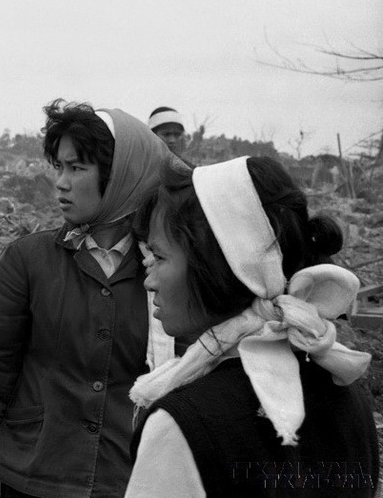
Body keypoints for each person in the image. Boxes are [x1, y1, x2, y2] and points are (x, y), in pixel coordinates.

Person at [0, 100, 173, 498]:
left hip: (129, 481)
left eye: (77, 168)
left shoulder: (164, 271)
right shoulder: (29, 261)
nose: (61, 182)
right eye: (59, 167)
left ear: (120, 175)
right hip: (34, 478)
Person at [126, 156, 378, 497]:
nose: (149, 281)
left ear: (216, 263)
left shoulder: (181, 428)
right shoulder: (349, 397)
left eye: (160, 257)